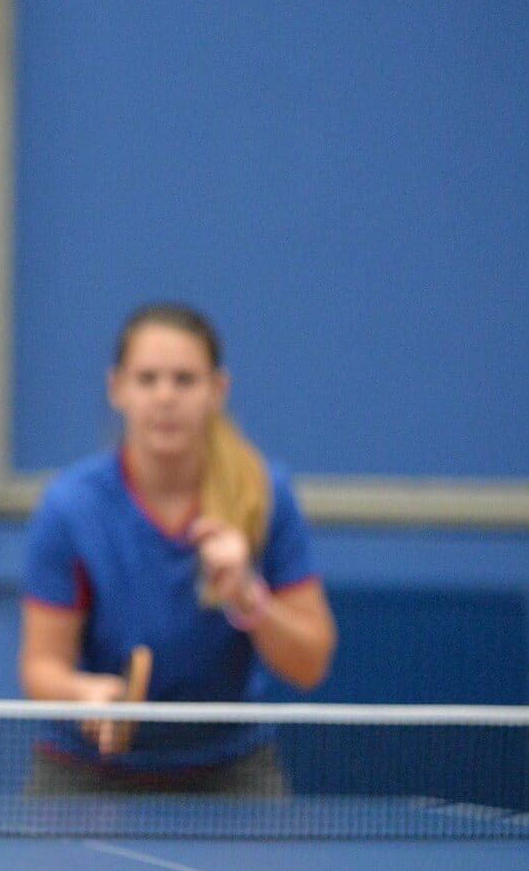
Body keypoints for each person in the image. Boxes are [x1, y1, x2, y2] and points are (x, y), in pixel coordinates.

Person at [18, 303, 336, 795]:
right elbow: (41, 665)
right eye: (147, 379)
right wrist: (83, 692)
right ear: (117, 388)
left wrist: (248, 597)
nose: (165, 397)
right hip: (87, 773)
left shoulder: (264, 495)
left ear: (218, 390)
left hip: (229, 771)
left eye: (184, 380)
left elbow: (311, 664)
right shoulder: (71, 508)